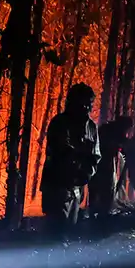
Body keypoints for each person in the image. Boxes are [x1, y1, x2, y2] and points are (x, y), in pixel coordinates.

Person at [40, 83, 101, 240]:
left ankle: (61, 260)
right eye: (83, 102)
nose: (87, 107)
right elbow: (61, 151)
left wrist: (86, 174)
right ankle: (50, 262)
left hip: (76, 187)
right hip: (56, 185)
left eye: (89, 103)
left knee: (68, 230)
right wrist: (78, 159)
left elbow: (95, 156)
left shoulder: (91, 127)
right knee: (55, 233)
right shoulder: (60, 123)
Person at [89, 115, 134, 220]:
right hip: (102, 161)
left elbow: (122, 144)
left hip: (102, 161)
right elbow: (118, 143)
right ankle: (100, 213)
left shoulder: (109, 129)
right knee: (105, 187)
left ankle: (98, 212)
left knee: (100, 187)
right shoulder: (110, 130)